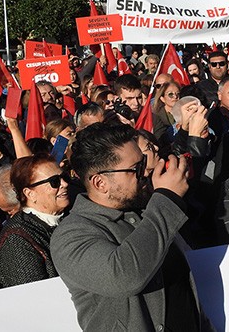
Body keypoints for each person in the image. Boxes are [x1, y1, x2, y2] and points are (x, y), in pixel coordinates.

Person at [50, 123, 214, 331]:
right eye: (136, 168)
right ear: (100, 183)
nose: (145, 172)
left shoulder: (147, 208)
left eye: (143, 162)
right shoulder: (71, 234)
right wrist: (167, 199)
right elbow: (124, 276)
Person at [0, 154, 69, 288]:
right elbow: (34, 297)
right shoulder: (17, 239)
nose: (65, 184)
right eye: (54, 182)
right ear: (30, 194)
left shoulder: (72, 213)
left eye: (64, 177)